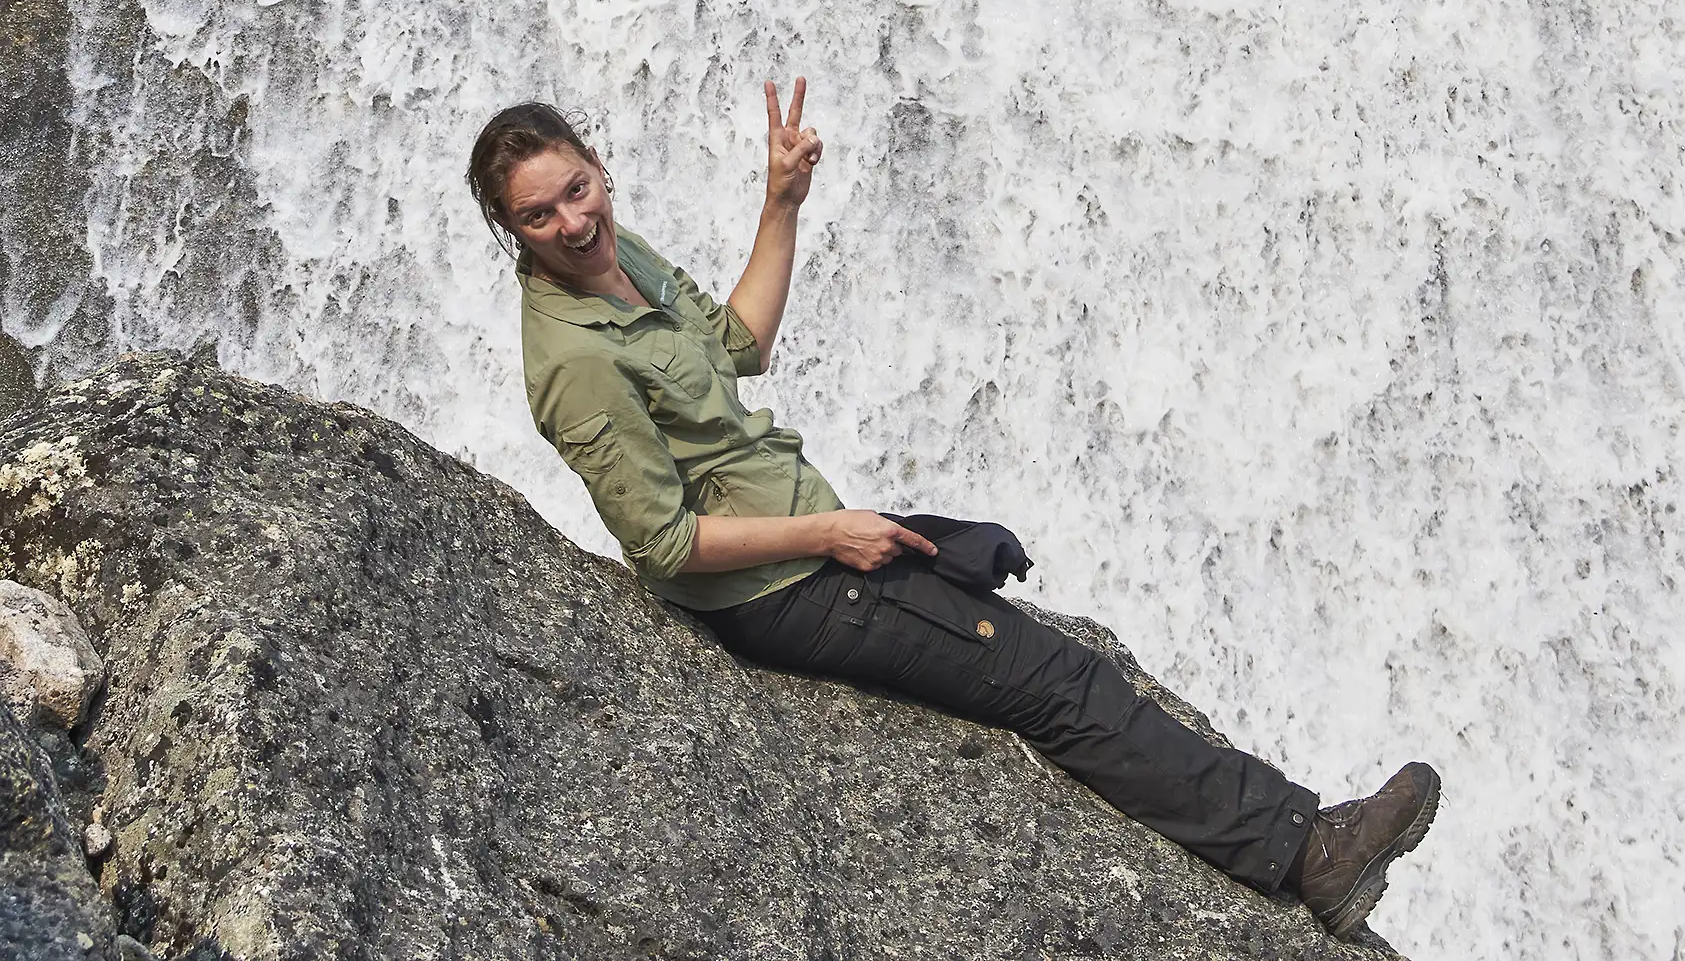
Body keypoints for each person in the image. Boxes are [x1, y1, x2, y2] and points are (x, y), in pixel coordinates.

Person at [463, 77, 1441, 940]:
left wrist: (780, 205)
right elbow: (665, 544)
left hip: (812, 537)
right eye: (540, 216)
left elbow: (738, 346)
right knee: (1054, 680)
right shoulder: (575, 358)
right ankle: (1305, 851)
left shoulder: (616, 255)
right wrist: (830, 534)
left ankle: (1295, 835)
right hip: (778, 585)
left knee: (1004, 597)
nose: (572, 222)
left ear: (598, 166)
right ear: (512, 231)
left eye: (576, 189)